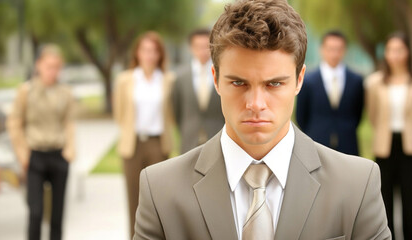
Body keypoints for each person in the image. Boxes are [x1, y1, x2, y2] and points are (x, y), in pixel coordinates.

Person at [133, 0, 391, 239]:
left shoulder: (357, 185)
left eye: (274, 84)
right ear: (215, 79)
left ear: (300, 80)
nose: (255, 104)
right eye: (238, 82)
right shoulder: (160, 190)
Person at [365, 32, 412, 240]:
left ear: (407, 52)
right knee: (385, 206)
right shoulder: (374, 82)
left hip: (410, 147)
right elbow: (373, 116)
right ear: (385, 53)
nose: (395, 55)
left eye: (399, 50)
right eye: (391, 50)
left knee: (409, 203)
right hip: (384, 147)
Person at [7, 44, 75, 240]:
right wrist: (23, 154)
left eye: (57, 67)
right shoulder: (26, 91)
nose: (53, 71)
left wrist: (70, 150)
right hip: (35, 155)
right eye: (49, 66)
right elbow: (15, 122)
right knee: (35, 212)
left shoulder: (64, 93)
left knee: (57, 214)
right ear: (39, 65)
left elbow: (69, 122)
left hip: (58, 155)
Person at [113, 31, 175, 238]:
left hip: (158, 144)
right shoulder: (125, 80)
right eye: (145, 50)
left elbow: (171, 115)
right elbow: (120, 113)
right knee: (133, 198)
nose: (149, 55)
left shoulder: (167, 80)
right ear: (137, 53)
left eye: (154, 51)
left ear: (160, 55)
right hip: (133, 144)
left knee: (158, 198)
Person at [296, 30, 364, 155]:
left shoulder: (356, 81)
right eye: (331, 48)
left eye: (339, 49)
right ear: (322, 49)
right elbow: (301, 116)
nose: (334, 53)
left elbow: (358, 113)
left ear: (345, 50)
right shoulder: (308, 81)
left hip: (348, 144)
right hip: (317, 143)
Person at [172, 28, 225, 154]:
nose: (203, 51)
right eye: (198, 46)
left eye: (206, 46)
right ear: (191, 48)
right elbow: (176, 110)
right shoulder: (180, 77)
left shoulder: (222, 74)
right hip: (189, 138)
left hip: (217, 137)